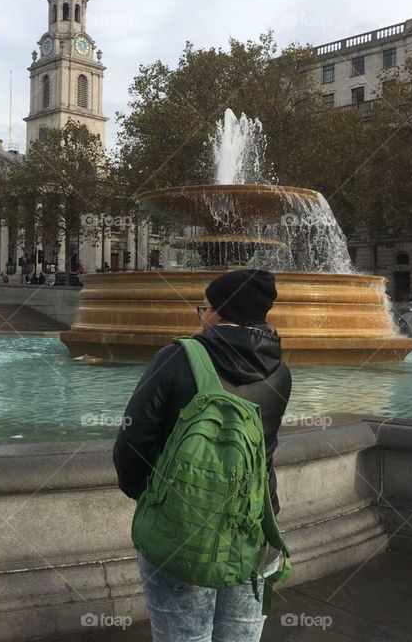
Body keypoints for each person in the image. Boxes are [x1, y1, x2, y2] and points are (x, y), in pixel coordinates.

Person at [113, 269, 291, 642]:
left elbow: (132, 445)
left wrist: (155, 500)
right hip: (255, 526)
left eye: (204, 307)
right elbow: (267, 451)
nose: (202, 315)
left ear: (219, 312)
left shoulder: (176, 357)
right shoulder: (280, 371)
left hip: (181, 528)